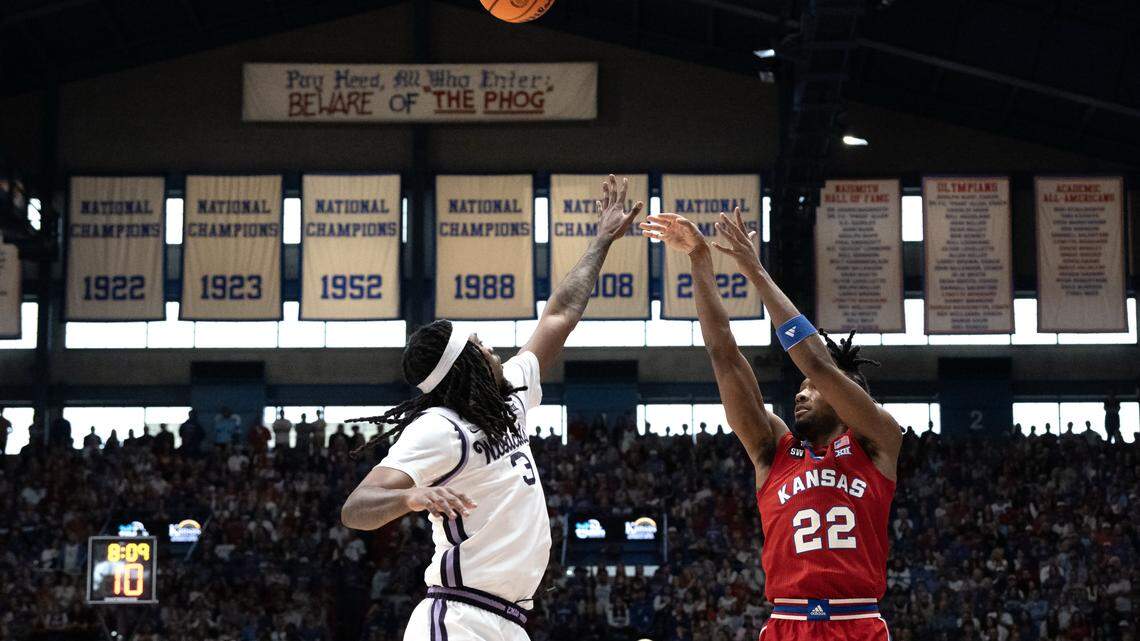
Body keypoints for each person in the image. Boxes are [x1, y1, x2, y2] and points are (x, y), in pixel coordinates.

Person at [341, 174, 643, 641]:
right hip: (459, 617)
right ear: (467, 367)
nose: (493, 349)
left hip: (509, 620)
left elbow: (560, 314)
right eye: (480, 345)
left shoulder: (512, 399)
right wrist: (409, 497)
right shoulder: (441, 428)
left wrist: (601, 241)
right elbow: (356, 508)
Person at [644, 208, 901, 640]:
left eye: (813, 390)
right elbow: (723, 353)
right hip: (787, 623)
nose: (800, 394)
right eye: (800, 389)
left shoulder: (878, 440)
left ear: (846, 395)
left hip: (856, 622)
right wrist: (699, 261)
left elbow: (817, 364)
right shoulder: (775, 451)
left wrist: (754, 270)